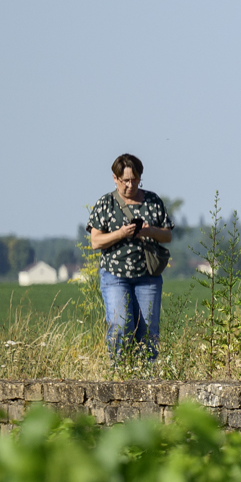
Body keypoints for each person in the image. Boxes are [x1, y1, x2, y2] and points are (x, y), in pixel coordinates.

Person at [85, 152, 173, 360]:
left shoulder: (152, 201)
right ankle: (120, 370)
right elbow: (95, 241)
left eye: (135, 180)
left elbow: (168, 235)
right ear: (115, 178)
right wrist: (121, 234)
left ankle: (145, 373)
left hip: (148, 276)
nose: (130, 185)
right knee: (120, 326)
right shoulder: (105, 203)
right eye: (125, 180)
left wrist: (150, 231)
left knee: (148, 331)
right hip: (115, 276)